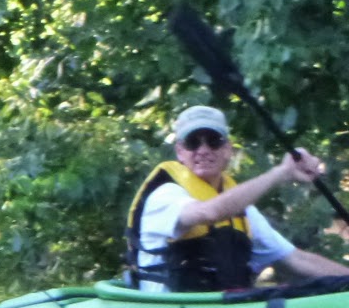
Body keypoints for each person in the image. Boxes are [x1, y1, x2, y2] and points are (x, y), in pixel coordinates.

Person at [127, 105, 345, 292]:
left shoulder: (243, 212)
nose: (203, 150)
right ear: (180, 152)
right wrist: (281, 172)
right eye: (193, 142)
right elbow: (208, 213)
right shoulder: (165, 195)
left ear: (227, 150)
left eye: (213, 141)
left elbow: (296, 260)